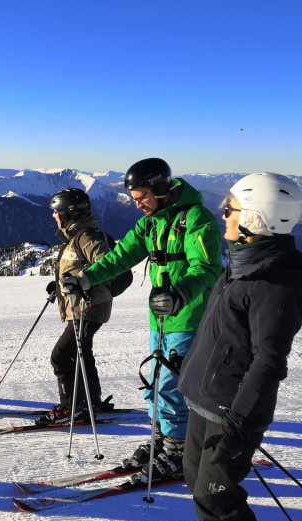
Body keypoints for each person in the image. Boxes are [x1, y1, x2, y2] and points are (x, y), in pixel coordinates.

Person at [161, 173, 302, 521]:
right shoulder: (245, 263)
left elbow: (268, 361)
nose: (221, 213)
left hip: (234, 411)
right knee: (196, 478)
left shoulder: (273, 284)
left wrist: (240, 423)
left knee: (217, 487)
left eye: (229, 208)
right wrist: (190, 365)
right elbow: (221, 333)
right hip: (204, 397)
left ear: (256, 221)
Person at [61, 158, 222, 479]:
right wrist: (85, 279)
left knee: (171, 385)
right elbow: (121, 257)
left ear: (161, 188)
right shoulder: (150, 223)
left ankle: (178, 449)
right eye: (133, 199)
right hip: (161, 317)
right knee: (155, 382)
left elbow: (206, 268)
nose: (138, 205)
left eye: (142, 197)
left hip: (188, 316)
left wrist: (180, 294)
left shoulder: (196, 219)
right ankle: (162, 439)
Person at [36, 188, 117, 425]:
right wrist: (61, 285)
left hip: (87, 308)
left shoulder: (86, 238)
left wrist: (81, 283)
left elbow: (108, 266)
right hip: (84, 307)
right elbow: (77, 268)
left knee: (61, 356)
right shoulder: (76, 236)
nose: (53, 216)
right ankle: (91, 401)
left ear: (67, 213)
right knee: (82, 354)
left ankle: (70, 407)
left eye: (56, 212)